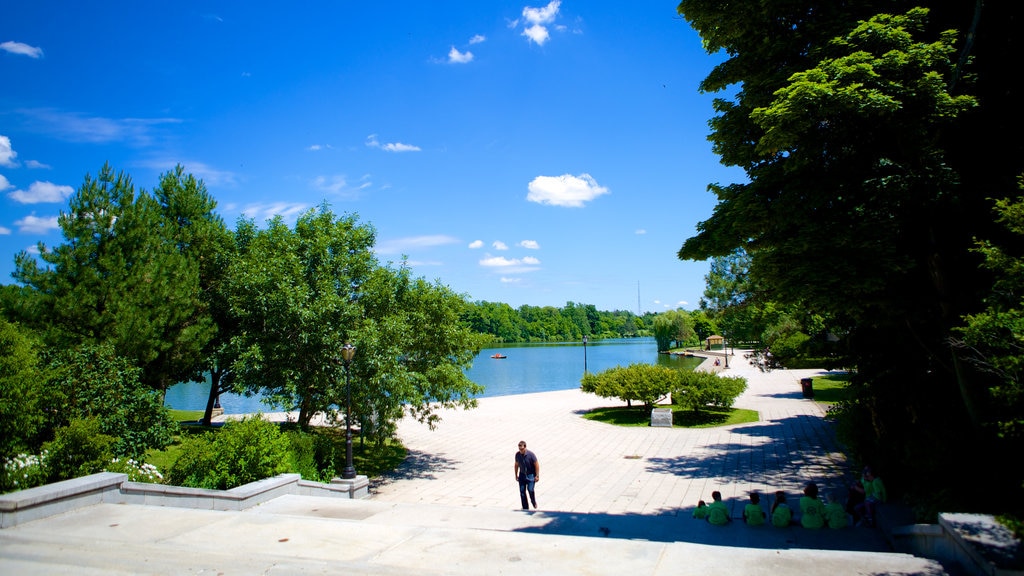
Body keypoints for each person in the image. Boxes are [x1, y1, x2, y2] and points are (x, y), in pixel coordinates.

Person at [514, 440, 539, 510]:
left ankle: (533, 502)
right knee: (522, 491)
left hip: (531, 475)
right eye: (519, 449)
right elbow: (516, 465)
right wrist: (516, 475)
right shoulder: (517, 455)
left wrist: (537, 475)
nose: (520, 450)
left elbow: (536, 465)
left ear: (525, 447)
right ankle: (525, 507)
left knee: (530, 489)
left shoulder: (531, 455)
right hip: (522, 475)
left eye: (522, 449)